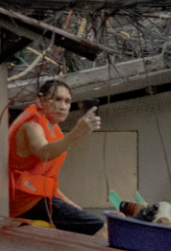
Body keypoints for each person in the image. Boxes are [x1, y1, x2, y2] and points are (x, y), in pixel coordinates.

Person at [9, 80, 104, 235]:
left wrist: (72, 206)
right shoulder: (31, 126)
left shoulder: (52, 128)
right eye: (57, 99)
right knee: (99, 228)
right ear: (40, 101)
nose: (63, 106)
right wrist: (76, 133)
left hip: (37, 199)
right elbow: (44, 152)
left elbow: (47, 181)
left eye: (67, 101)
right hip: (25, 202)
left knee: (86, 220)